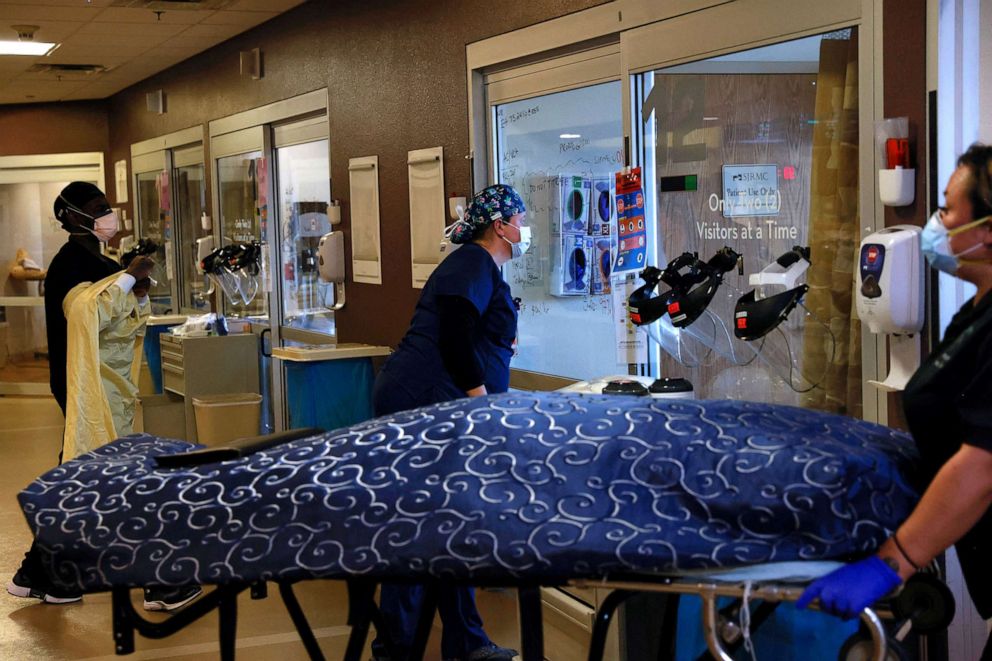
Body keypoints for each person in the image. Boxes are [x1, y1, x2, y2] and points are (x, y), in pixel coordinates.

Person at [798, 144, 992, 657]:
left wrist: (893, 560)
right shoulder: (974, 317)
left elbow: (982, 466)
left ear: (988, 230)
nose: (936, 222)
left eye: (948, 209)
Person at [7, 183, 200, 612]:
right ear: (73, 217)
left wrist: (135, 292)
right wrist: (128, 277)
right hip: (89, 386)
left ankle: (45, 575)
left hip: (108, 385)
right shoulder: (68, 263)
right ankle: (162, 582)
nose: (109, 214)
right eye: (98, 209)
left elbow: (113, 316)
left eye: (107, 205)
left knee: (80, 481)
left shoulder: (96, 258)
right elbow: (86, 312)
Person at [370, 184, 529, 661]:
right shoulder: (472, 262)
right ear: (499, 225)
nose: (525, 227)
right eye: (520, 218)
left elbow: (473, 331)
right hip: (425, 404)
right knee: (421, 527)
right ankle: (395, 648)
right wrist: (480, 401)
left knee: (448, 525)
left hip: (433, 400)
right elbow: (456, 335)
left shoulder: (483, 269)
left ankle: (466, 641)